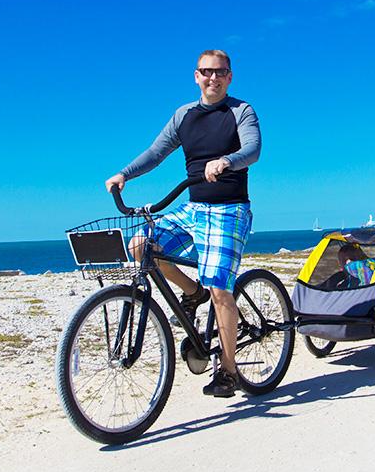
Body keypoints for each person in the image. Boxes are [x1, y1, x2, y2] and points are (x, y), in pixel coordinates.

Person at [105, 50, 260, 398]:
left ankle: (229, 372)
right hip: (193, 208)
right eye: (206, 72)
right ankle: (192, 292)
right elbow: (156, 152)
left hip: (229, 210)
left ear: (229, 77)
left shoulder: (241, 111)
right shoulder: (183, 116)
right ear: (196, 76)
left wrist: (227, 161)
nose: (213, 78)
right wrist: (124, 174)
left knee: (221, 287)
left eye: (220, 72)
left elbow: (253, 150)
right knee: (141, 246)